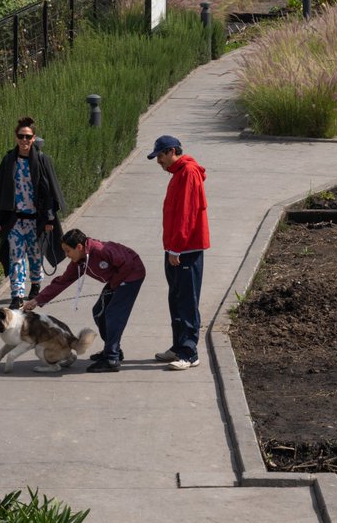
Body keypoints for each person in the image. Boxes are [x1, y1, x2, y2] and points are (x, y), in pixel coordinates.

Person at [25, 228, 146, 373]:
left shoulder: (100, 250)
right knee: (99, 312)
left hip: (131, 275)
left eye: (68, 251)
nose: (66, 255)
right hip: (117, 279)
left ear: (79, 247)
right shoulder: (79, 261)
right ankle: (113, 349)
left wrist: (114, 285)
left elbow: (127, 264)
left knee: (113, 315)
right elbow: (62, 282)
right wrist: (38, 300)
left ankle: (111, 358)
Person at [146, 134, 209, 371]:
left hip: (185, 251)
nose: (158, 161)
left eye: (160, 156)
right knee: (176, 299)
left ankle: (189, 352)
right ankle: (178, 346)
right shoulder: (177, 174)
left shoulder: (188, 173)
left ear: (172, 151)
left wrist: (177, 248)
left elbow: (187, 214)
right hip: (175, 249)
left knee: (187, 301)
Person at [0, 117, 66, 310]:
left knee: (35, 255)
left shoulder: (42, 160)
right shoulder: (9, 160)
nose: (24, 140)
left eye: (28, 136)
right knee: (15, 257)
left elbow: (50, 191)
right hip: (15, 220)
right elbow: (0, 190)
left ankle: (35, 285)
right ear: (16, 138)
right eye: (21, 136)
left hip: (36, 220)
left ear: (33, 138)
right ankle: (16, 294)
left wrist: (49, 218)